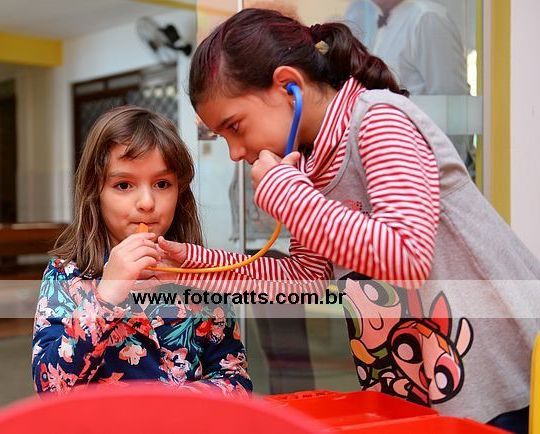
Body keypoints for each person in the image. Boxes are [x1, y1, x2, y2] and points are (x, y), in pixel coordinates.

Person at [154, 8, 538, 431]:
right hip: (416, 389)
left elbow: (407, 257)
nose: (235, 152)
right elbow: (307, 279)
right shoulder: (311, 168)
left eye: (235, 126)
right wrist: (190, 263)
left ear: (287, 85)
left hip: (497, 382)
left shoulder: (378, 119)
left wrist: (290, 196)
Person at [31, 106, 251, 396]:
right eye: (124, 185)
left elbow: (236, 380)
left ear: (180, 192)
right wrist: (105, 298)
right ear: (95, 193)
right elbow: (50, 389)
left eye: (162, 184)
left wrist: (171, 405)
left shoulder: (201, 277)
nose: (147, 202)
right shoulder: (65, 276)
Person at [345, 0, 474, 170]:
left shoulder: (427, 19)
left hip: (429, 165)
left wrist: (448, 170)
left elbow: (452, 102)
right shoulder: (383, 21)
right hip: (398, 159)